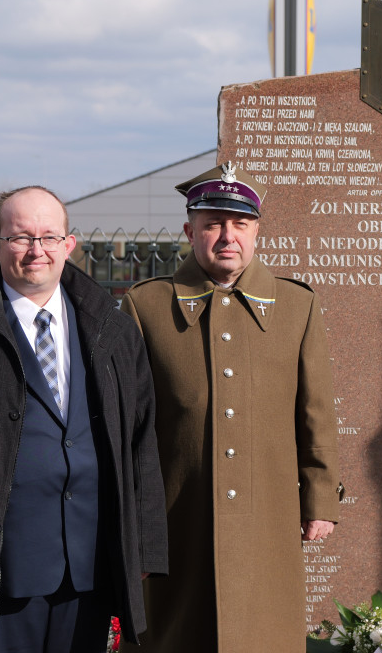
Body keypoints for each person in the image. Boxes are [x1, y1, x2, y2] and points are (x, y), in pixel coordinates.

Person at [0, 186, 168, 653]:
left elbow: (141, 443)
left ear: (69, 245)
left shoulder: (114, 330)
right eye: (20, 238)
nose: (36, 250)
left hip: (92, 566)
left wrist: (143, 546)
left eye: (48, 237)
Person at [120, 161, 342, 652]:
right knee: (177, 634)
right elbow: (129, 422)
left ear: (256, 230)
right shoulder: (147, 306)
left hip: (270, 511)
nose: (227, 236)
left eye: (240, 224)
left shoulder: (297, 305)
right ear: (189, 230)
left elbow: (316, 413)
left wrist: (320, 499)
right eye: (212, 224)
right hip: (178, 513)